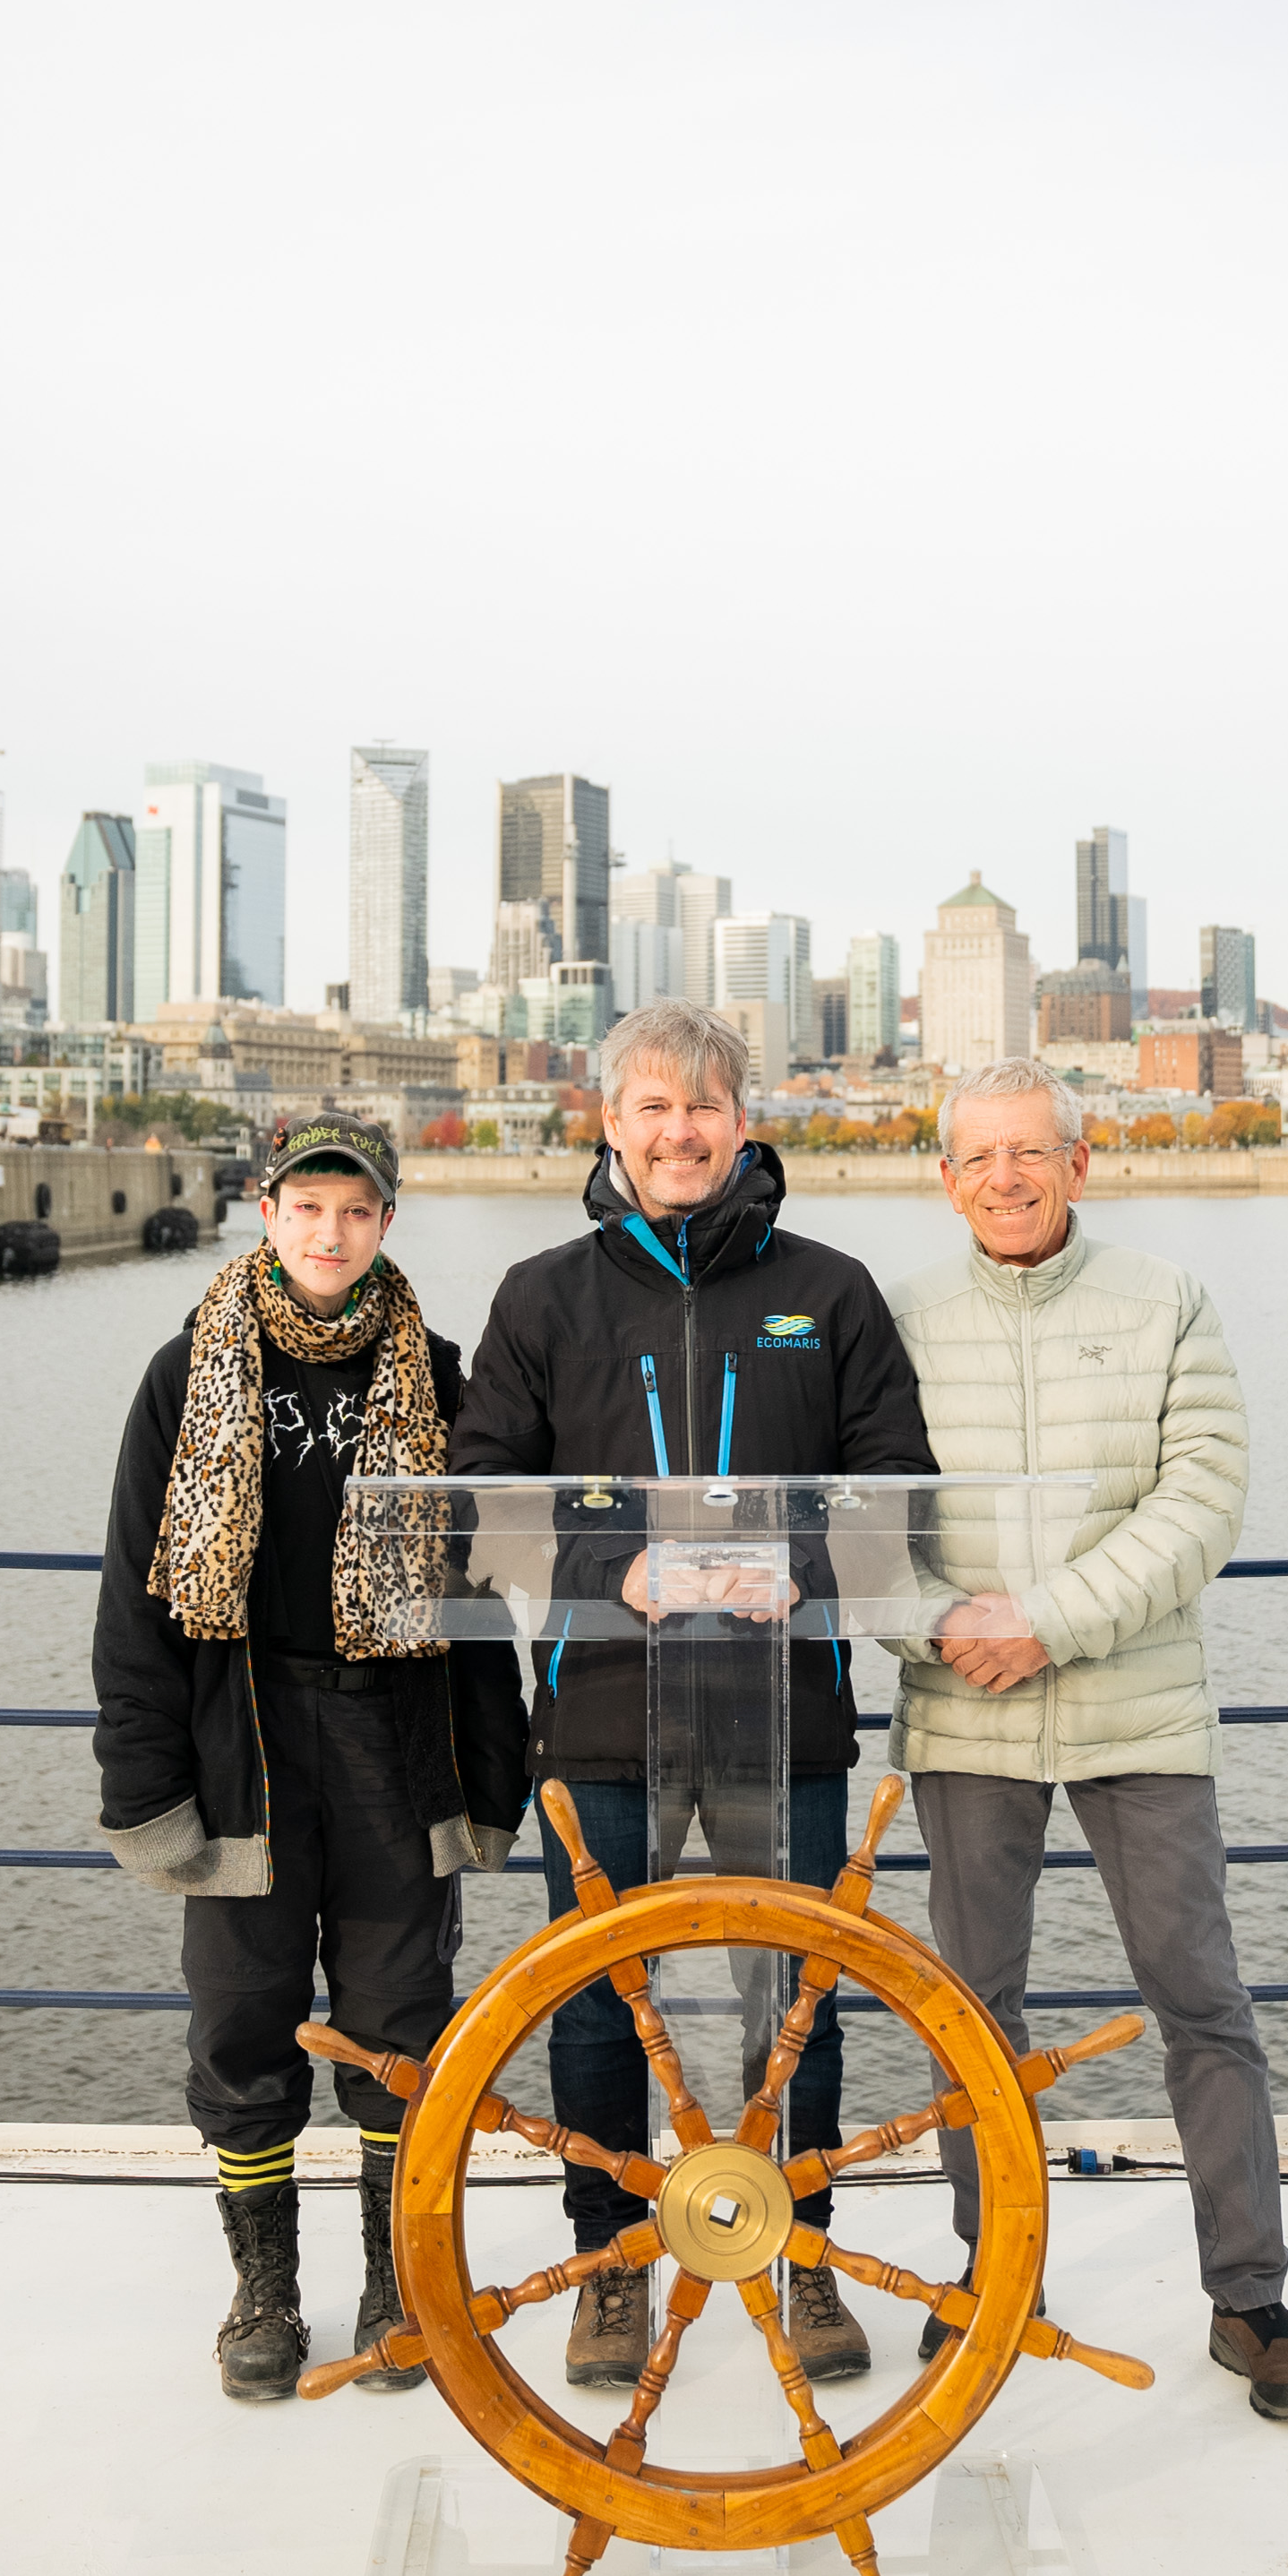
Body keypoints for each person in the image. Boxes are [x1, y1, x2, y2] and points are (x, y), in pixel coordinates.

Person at [451, 1001, 934, 2390]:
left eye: (703, 1107)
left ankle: (808, 2256)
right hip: (601, 1706)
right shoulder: (542, 1296)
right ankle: (610, 2262)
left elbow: (887, 1486)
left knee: (797, 1999)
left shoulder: (831, 1290)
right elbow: (489, 1499)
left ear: (742, 1121)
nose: (679, 1132)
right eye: (652, 1109)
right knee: (601, 2001)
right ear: (609, 1124)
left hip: (787, 1710)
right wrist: (629, 1567)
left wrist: (795, 1564)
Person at [886, 1055, 1288, 2423]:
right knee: (972, 2015)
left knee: (1198, 1997)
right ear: (945, 1174)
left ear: (1080, 1164)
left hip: (1136, 1707)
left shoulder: (1166, 1301)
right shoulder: (895, 1317)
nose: (1007, 1178)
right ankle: (990, 2272)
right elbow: (857, 1515)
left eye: (1033, 1153)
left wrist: (1049, 1619)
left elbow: (1202, 1497)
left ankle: (1248, 2297)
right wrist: (937, 1628)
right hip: (964, 1709)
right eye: (980, 1157)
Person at [90, 1110, 528, 2404]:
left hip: (395, 1735)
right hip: (247, 1739)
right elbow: (133, 1597)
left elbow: (482, 1592)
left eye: (356, 1210)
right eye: (306, 1206)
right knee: (244, 2022)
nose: (329, 1231)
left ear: (387, 1223)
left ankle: (396, 2279)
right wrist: (144, 1784)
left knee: (401, 2020)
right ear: (265, 1212)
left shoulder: (440, 1375)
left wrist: (491, 1776)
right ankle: (265, 2289)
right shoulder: (188, 1372)